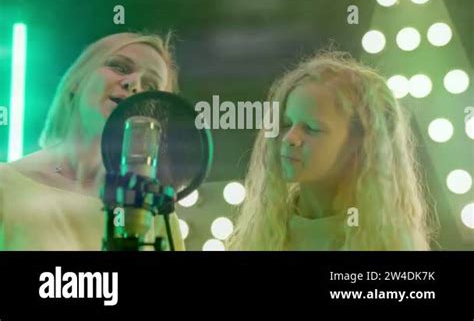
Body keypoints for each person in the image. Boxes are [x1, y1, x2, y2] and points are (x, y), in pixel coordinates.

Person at [227, 50, 438, 251]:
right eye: (285, 123)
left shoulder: (386, 241)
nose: (290, 138)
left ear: (359, 142)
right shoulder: (264, 230)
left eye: (311, 128)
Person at [0, 32, 185, 250]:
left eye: (150, 86)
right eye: (120, 67)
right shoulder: (6, 185)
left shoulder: (154, 210)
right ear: (77, 80)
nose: (134, 84)